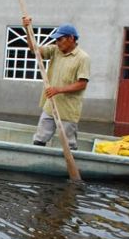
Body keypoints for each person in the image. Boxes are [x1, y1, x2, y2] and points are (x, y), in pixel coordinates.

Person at [21, 18, 90, 150]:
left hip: (68, 109)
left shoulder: (82, 58)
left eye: (60, 39)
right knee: (40, 138)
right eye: (56, 40)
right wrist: (27, 29)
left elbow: (82, 84)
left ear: (71, 38)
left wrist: (58, 89)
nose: (57, 43)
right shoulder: (55, 51)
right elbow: (34, 49)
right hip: (50, 106)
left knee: (69, 144)